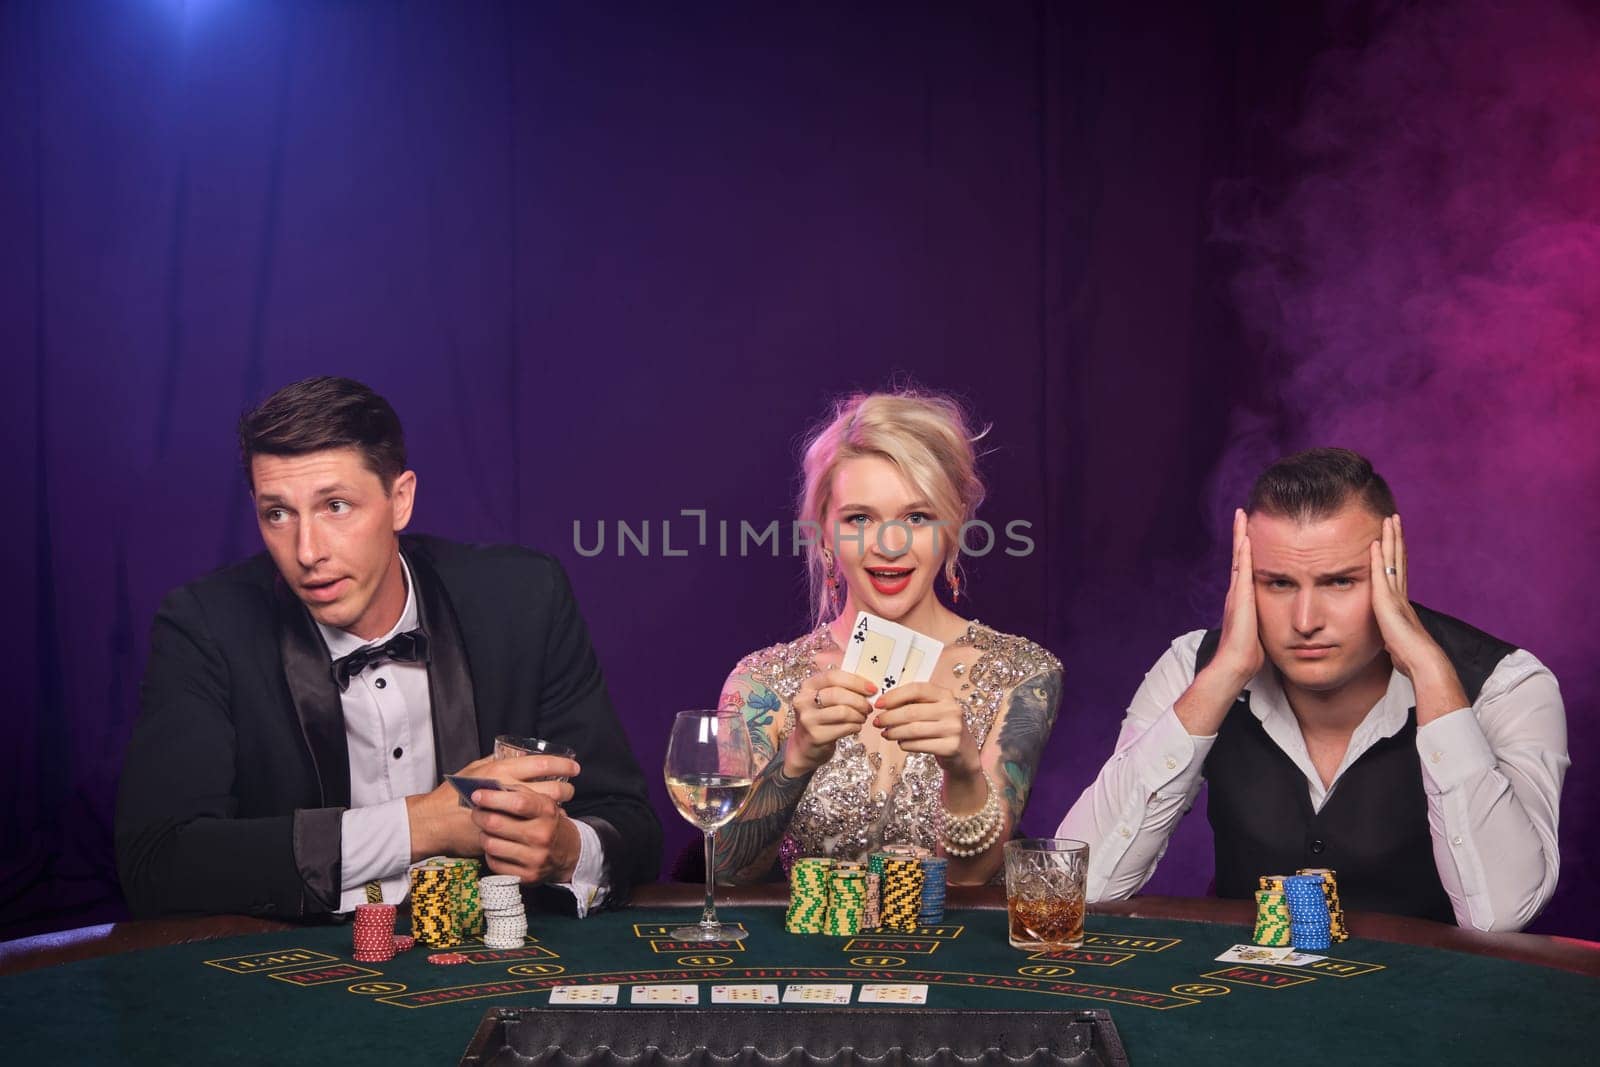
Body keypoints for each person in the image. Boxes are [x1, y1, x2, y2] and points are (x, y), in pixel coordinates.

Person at [116, 376, 660, 918]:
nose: (307, 551)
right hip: (298, 978)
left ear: (400, 501)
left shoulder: (522, 599)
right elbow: (159, 862)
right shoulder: (207, 624)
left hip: (497, 966)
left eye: (336, 506)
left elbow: (630, 826)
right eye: (277, 513)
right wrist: (421, 824)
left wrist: (567, 852)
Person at [1057, 448, 1566, 930]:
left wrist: (1431, 675)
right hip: (1243, 1001)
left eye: (1340, 582)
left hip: (1435, 1010)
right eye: (1277, 583)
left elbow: (1499, 915)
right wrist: (1221, 678)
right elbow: (1076, 889)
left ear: (1394, 570)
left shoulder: (1506, 685)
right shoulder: (1196, 667)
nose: (1304, 621)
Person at [714, 390, 1062, 884]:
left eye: (916, 517)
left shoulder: (1023, 674)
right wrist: (795, 760)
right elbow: (725, 875)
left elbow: (970, 880)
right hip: (809, 959)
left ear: (953, 526)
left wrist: (963, 769)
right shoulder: (761, 683)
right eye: (860, 518)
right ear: (824, 533)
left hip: (956, 960)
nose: (888, 545)